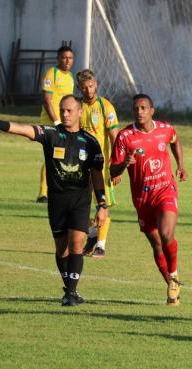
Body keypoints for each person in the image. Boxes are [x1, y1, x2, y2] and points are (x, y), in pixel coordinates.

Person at [0, 95, 107, 306]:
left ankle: (70, 294)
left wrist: (102, 204)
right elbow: (24, 129)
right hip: (57, 201)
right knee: (62, 250)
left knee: (76, 245)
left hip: (80, 200)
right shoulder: (52, 134)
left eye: (69, 110)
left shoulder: (90, 142)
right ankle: (70, 289)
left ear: (80, 112)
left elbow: (97, 175)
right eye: (62, 110)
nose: (65, 114)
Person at [110, 94, 187, 305]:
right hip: (143, 199)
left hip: (165, 191)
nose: (139, 111)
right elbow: (112, 170)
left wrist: (180, 165)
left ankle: (173, 273)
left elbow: (175, 141)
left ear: (152, 110)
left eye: (143, 107)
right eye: (136, 108)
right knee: (156, 245)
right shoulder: (125, 137)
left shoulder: (165, 129)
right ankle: (173, 286)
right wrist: (124, 163)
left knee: (166, 234)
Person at [76, 69, 121, 258]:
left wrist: (116, 166)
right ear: (80, 88)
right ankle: (93, 235)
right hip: (79, 164)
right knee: (77, 206)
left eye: (91, 86)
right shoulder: (77, 106)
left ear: (96, 85)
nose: (88, 90)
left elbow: (115, 137)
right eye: (84, 87)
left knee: (103, 205)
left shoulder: (105, 106)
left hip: (99, 166)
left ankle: (101, 245)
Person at [37, 45, 75, 203]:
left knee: (62, 157)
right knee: (53, 157)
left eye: (70, 58)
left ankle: (56, 190)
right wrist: (56, 121)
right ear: (58, 58)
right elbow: (47, 101)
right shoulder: (51, 74)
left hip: (65, 122)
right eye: (64, 57)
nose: (67, 61)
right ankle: (43, 194)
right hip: (51, 123)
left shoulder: (70, 77)